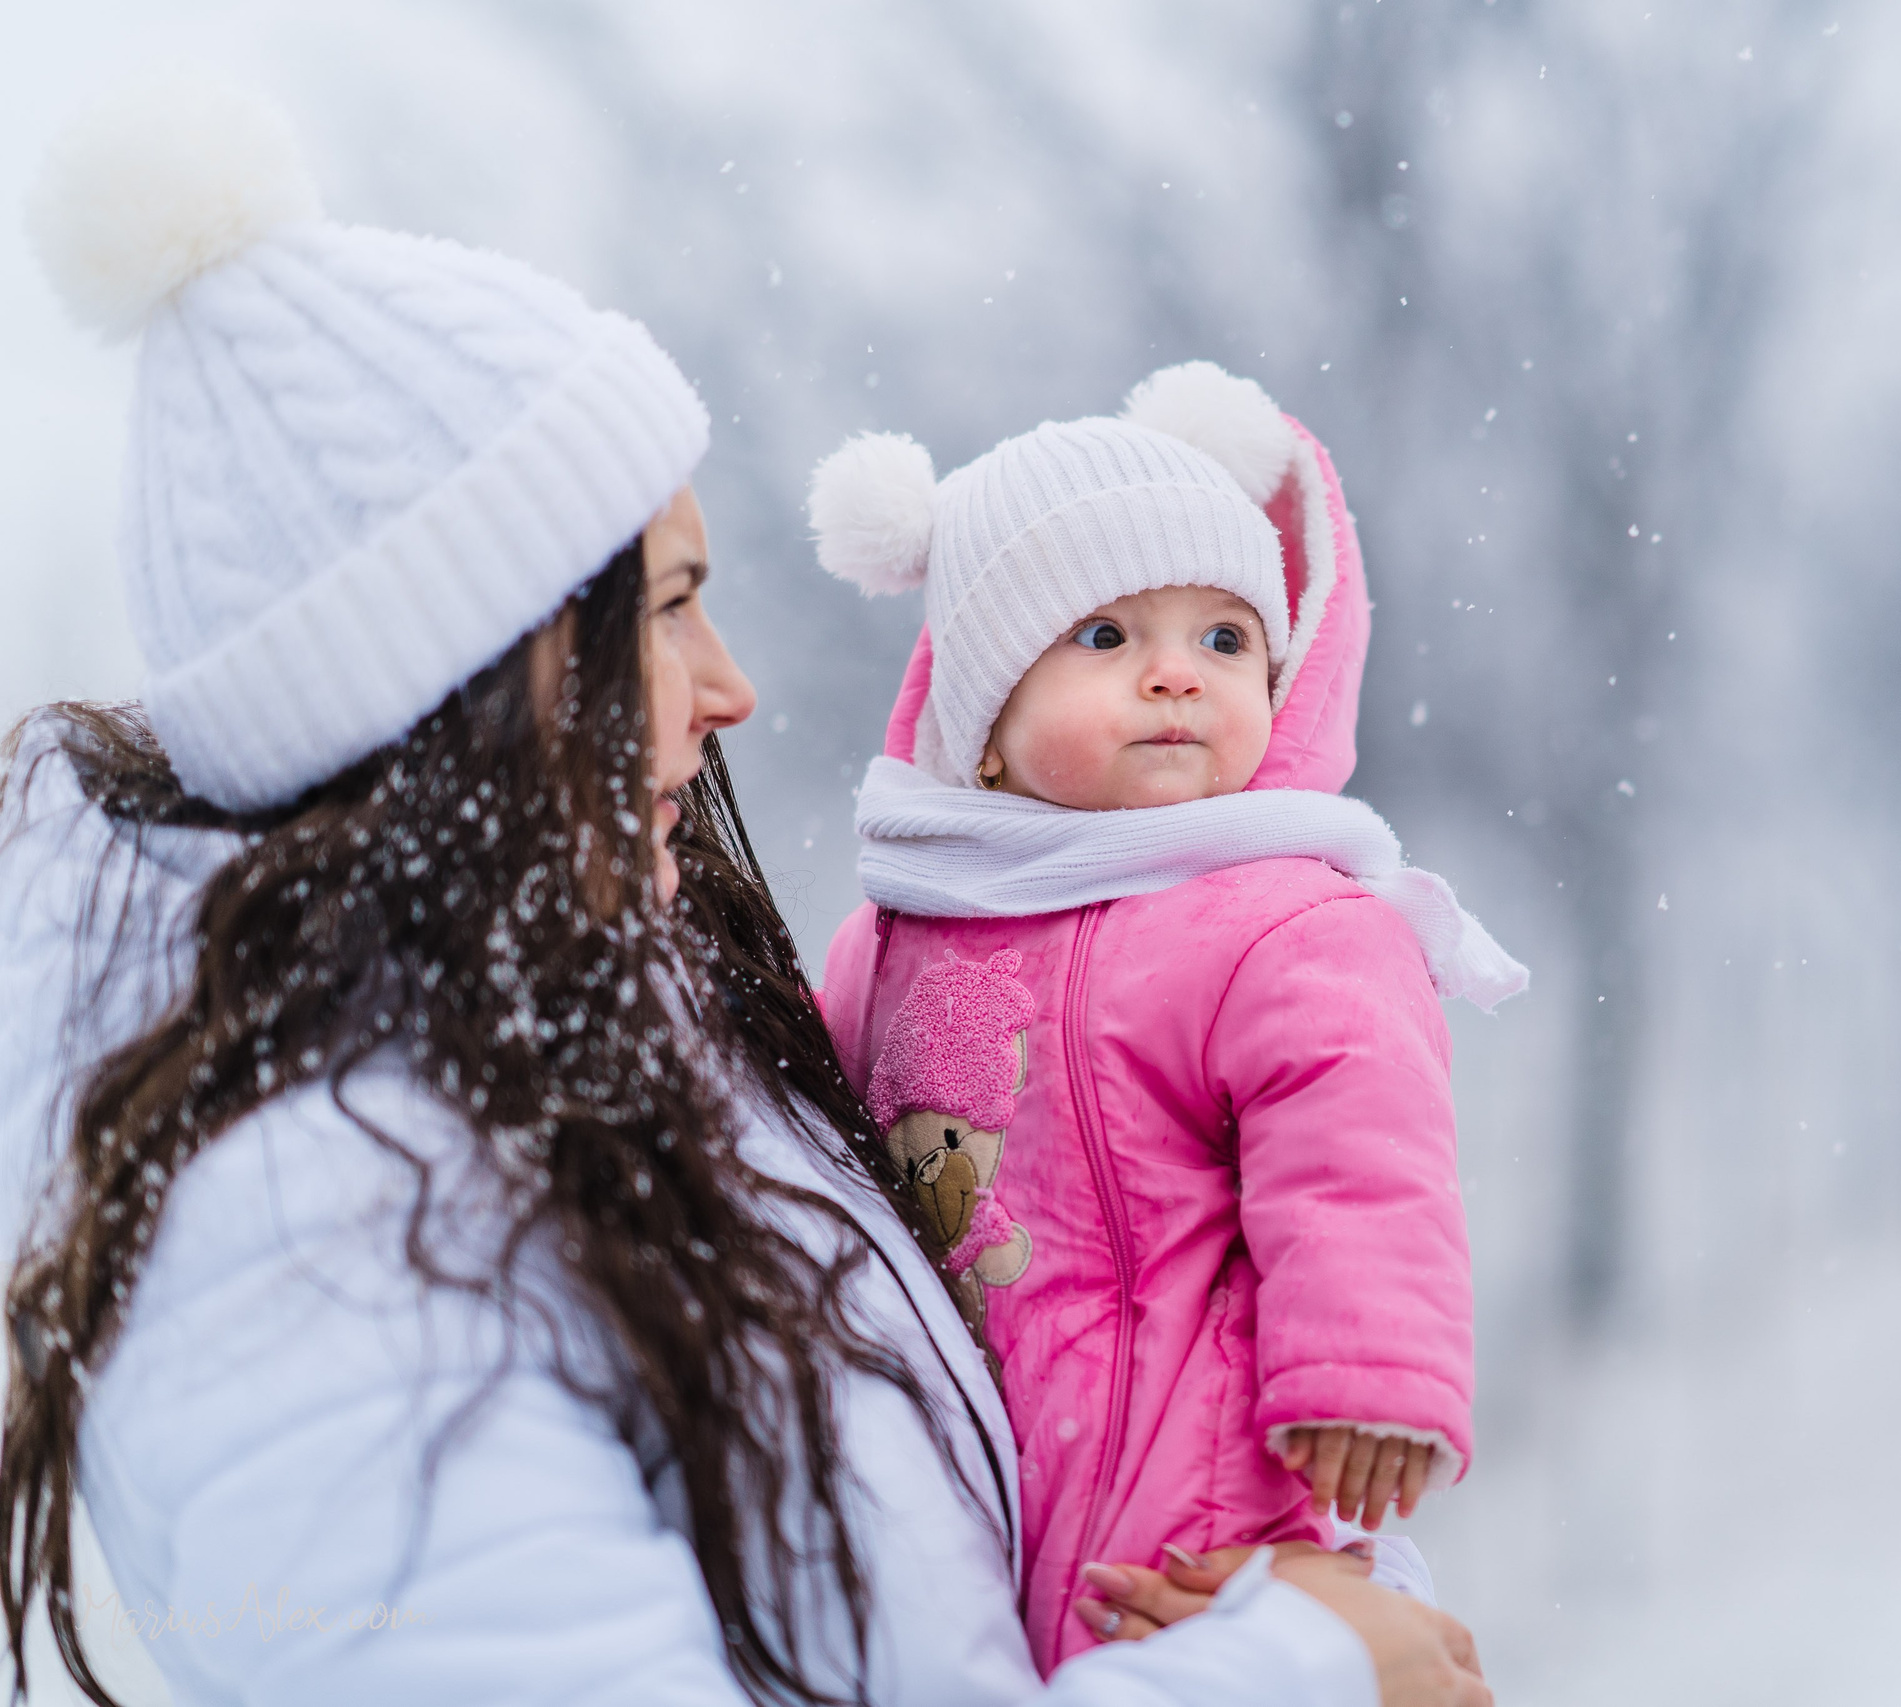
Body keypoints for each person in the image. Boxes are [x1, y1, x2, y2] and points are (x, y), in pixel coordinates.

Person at [0, 77, 1488, 1707]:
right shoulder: (318, 1248)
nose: (731, 689)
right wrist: (1300, 1675)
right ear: (465, 679)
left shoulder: (618, 1056)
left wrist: (1303, 1567)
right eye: (671, 608)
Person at [803, 363, 1530, 1674]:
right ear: (982, 720)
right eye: (1106, 637)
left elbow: (1363, 1145)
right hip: (983, 1523)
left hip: (1214, 1528)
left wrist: (1365, 1373)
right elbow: (789, 1120)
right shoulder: (898, 931)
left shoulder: (1285, 917)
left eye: (1223, 638)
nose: (1176, 678)